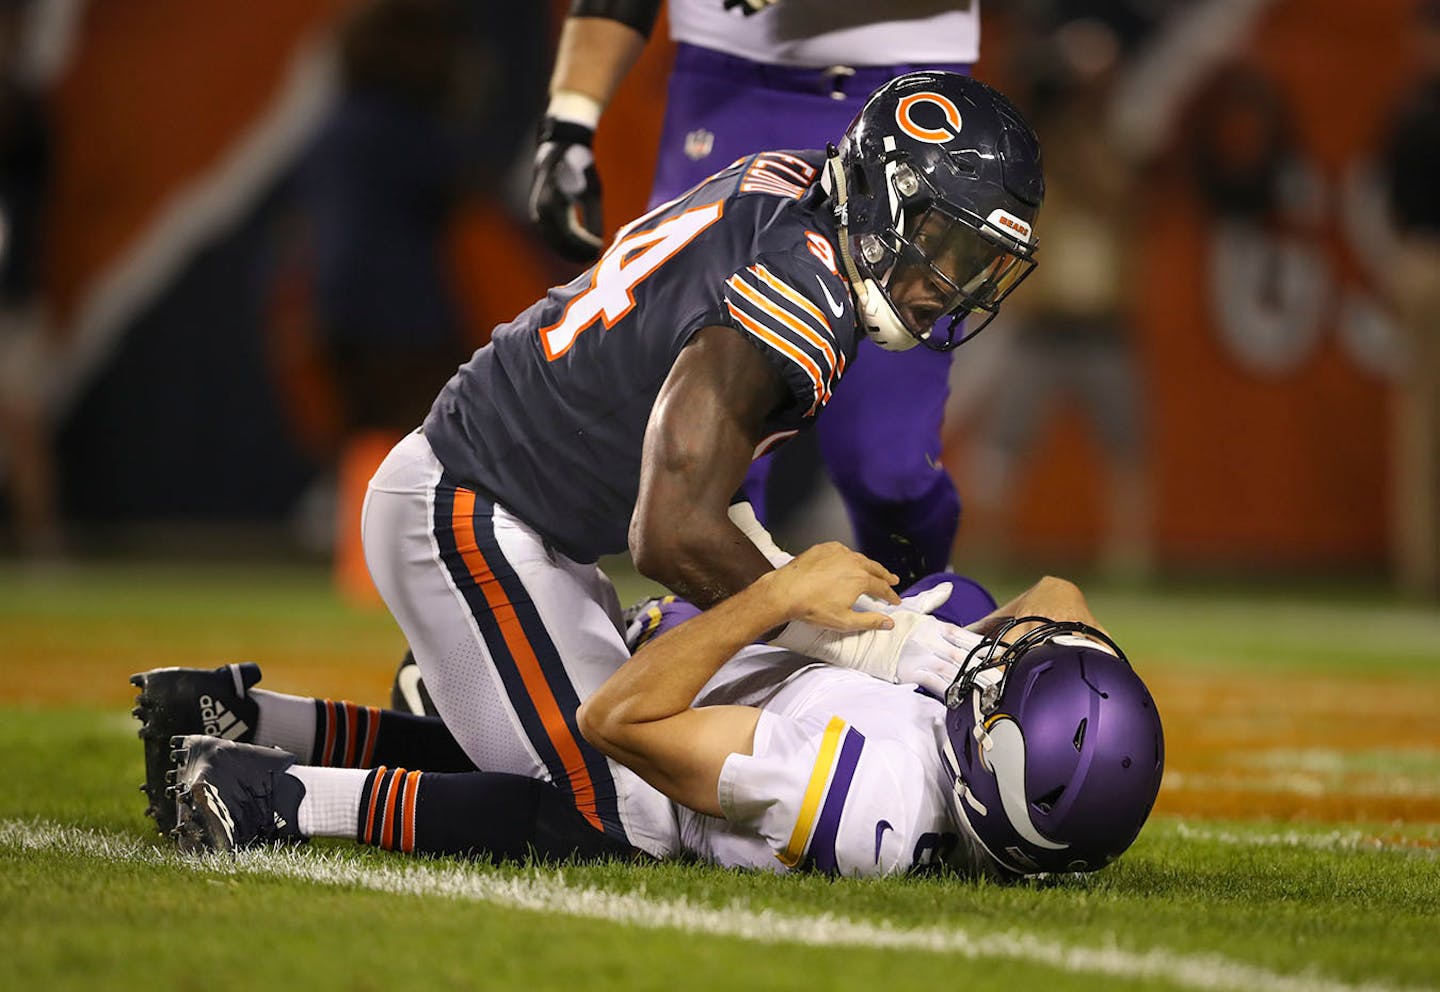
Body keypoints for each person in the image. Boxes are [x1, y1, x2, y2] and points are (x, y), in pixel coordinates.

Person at [323, 69, 1041, 855]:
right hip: (472, 509)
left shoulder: (799, 189)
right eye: (943, 242)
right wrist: (854, 637)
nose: (954, 284)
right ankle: (272, 796)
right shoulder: (798, 291)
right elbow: (669, 533)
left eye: (977, 259)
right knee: (622, 810)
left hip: (524, 515)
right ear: (883, 194)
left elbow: (699, 475)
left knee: (597, 755)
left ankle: (260, 719)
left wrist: (820, 601)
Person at [137, 552, 1165, 878]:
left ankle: (269, 784)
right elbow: (1062, 598)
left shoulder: (864, 796)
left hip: (664, 691)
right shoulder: (1031, 796)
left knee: (598, 808)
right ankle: (250, 720)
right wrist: (962, 653)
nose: (996, 665)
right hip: (750, 675)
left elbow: (617, 719)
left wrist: (770, 602)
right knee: (971, 594)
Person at [529, 0, 984, 587]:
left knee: (886, 463)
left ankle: (923, 608)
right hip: (724, 87)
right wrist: (570, 118)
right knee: (702, 428)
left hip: (913, 97)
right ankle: (718, 624)